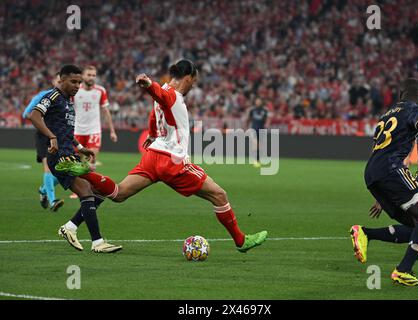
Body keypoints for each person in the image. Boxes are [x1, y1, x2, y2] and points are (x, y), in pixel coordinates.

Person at [65, 59, 267, 253]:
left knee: (119, 194)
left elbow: (154, 113)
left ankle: (84, 172)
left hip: (153, 155)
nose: (193, 86)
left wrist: (152, 134)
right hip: (173, 160)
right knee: (219, 195)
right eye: (193, 82)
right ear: (188, 77)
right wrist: (149, 85)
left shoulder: (164, 92)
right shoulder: (172, 95)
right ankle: (241, 240)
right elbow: (162, 96)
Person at [349, 78, 418, 286]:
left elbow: (377, 146)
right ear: (417, 95)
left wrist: (383, 190)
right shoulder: (414, 109)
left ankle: (365, 233)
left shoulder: (386, 114)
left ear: (400, 94)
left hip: (372, 173)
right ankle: (403, 271)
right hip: (392, 169)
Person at [29, 64, 122, 253]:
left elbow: (67, 131)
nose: (77, 85)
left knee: (100, 189)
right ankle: (97, 242)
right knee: (87, 191)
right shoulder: (53, 97)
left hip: (70, 154)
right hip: (60, 158)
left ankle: (70, 227)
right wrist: (51, 137)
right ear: (61, 79)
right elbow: (34, 116)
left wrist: (80, 147)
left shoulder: (68, 101)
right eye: (73, 81)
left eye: (79, 82)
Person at [69, 66, 118, 199]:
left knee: (91, 161)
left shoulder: (100, 90)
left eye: (93, 75)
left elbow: (106, 111)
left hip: (94, 131)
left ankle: (92, 188)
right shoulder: (75, 90)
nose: (91, 77)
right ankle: (78, 189)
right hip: (77, 130)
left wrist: (112, 131)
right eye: (89, 75)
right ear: (83, 76)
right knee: (77, 161)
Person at [22, 73, 64, 212]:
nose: (61, 84)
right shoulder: (43, 96)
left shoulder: (66, 99)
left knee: (61, 171)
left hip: (58, 136)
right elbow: (27, 114)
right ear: (54, 82)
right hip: (43, 135)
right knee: (47, 167)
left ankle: (43, 190)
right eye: (59, 81)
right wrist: (42, 121)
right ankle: (53, 201)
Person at [247, 97, 268, 168]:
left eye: (259, 101)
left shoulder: (264, 110)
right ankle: (255, 160)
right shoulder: (252, 110)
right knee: (255, 144)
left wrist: (267, 124)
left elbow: (266, 119)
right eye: (257, 101)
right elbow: (248, 119)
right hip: (254, 129)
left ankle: (258, 159)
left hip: (261, 129)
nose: (258, 102)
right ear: (255, 102)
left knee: (260, 145)